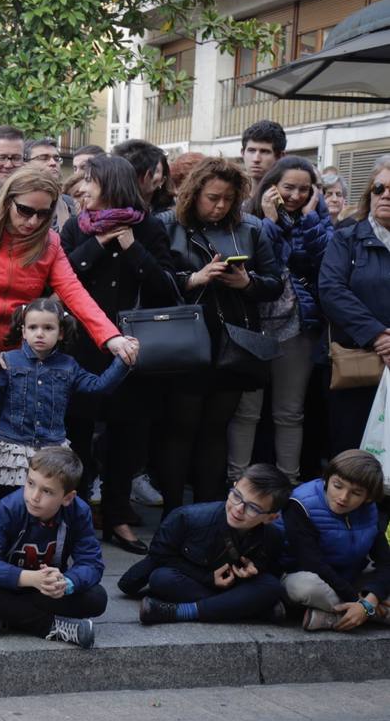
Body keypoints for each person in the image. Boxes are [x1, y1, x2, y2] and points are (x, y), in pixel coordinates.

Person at [0, 166, 138, 568]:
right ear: (7, 201)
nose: (32, 221)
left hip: (21, 356)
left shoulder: (48, 242)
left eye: (43, 214)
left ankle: (10, 532)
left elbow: (73, 292)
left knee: (16, 450)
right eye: (25, 210)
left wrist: (110, 337)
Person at [59, 154, 175, 554]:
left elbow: (167, 288)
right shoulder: (76, 227)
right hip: (81, 347)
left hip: (133, 348)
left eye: (89, 181)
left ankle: (118, 516)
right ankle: (73, 516)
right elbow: (61, 277)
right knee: (76, 435)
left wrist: (131, 248)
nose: (81, 188)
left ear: (110, 185)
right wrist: (98, 244)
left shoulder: (149, 228)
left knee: (128, 439)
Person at [157, 158, 283, 519]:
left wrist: (246, 282)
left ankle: (210, 513)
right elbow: (154, 280)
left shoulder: (251, 227)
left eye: (229, 198)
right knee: (180, 430)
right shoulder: (168, 223)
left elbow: (275, 283)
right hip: (184, 341)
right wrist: (193, 278)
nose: (221, 206)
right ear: (194, 193)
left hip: (234, 341)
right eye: (213, 198)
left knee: (215, 430)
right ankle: (172, 514)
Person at [0, 298, 130, 508]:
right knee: (5, 505)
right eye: (33, 327)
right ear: (23, 331)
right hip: (12, 448)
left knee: (46, 506)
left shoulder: (68, 365)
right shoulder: (8, 360)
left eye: (48, 328)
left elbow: (98, 386)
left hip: (51, 447)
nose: (40, 333)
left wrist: (123, 361)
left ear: (60, 333)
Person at [229, 157, 331, 484]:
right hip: (253, 323)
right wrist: (270, 222)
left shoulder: (317, 219)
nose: (296, 196)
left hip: (298, 325)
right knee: (246, 411)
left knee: (290, 412)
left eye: (304, 189)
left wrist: (311, 218)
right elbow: (260, 263)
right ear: (272, 185)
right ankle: (237, 482)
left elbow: (325, 261)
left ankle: (290, 482)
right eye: (289, 187)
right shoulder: (248, 216)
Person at [0, 447, 106, 648]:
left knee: (97, 598)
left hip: (41, 590)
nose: (34, 496)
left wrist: (66, 583)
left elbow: (92, 563)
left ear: (67, 498)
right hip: (3, 585)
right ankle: (52, 626)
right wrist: (30, 578)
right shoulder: (8, 508)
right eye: (30, 484)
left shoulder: (78, 512)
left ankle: (3, 616)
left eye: (47, 491)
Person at [120, 464, 290, 625]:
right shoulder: (186, 517)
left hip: (231, 586)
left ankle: (182, 611)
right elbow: (159, 556)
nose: (238, 508)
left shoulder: (273, 536)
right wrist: (208, 578)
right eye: (237, 496)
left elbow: (272, 571)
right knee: (161, 578)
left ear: (271, 518)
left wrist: (255, 570)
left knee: (272, 587)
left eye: (252, 508)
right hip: (195, 580)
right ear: (234, 486)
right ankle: (248, 609)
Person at [320, 158, 390, 456]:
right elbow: (331, 290)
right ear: (369, 194)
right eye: (379, 188)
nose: (386, 195)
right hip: (358, 362)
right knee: (353, 453)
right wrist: (378, 335)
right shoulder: (346, 238)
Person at [281, 450, 390, 631]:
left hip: (351, 576)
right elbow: (312, 563)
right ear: (327, 479)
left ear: (368, 497)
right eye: (337, 486)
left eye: (356, 493)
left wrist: (371, 598)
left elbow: (385, 561)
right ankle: (368, 615)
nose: (343, 497)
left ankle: (330, 617)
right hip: (307, 575)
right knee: (305, 587)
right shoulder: (300, 504)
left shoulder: (370, 509)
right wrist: (361, 604)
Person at [241, 119, 286, 186]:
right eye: (251, 150)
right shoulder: (231, 191)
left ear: (280, 156)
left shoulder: (293, 191)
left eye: (264, 152)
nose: (256, 159)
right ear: (242, 153)